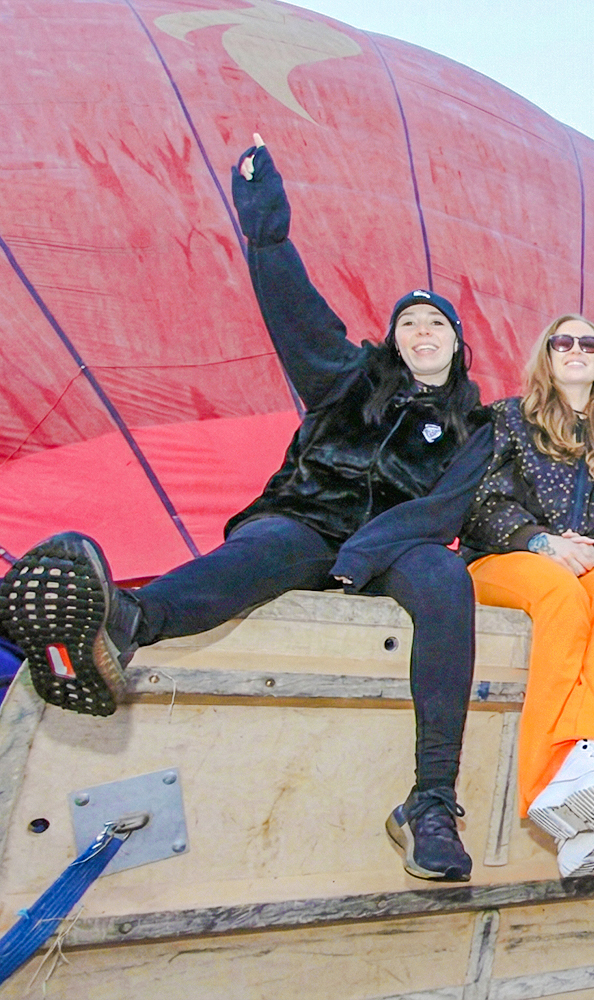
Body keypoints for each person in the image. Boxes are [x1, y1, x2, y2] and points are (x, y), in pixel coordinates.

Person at [0, 137, 493, 880]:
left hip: (394, 545)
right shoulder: (349, 377)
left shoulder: (476, 424)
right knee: (258, 555)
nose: (422, 333)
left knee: (449, 584)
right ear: (394, 340)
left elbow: (443, 513)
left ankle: (430, 801)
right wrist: (266, 224)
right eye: (409, 324)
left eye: (437, 325)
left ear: (458, 343)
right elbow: (294, 311)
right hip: (308, 516)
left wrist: (360, 562)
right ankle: (125, 625)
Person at [461, 314, 594, 878]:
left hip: (584, 564)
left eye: (589, 343)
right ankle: (549, 779)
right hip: (503, 559)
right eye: (563, 341)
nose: (576, 349)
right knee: (561, 592)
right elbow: (479, 503)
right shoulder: (509, 419)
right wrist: (542, 541)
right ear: (547, 356)